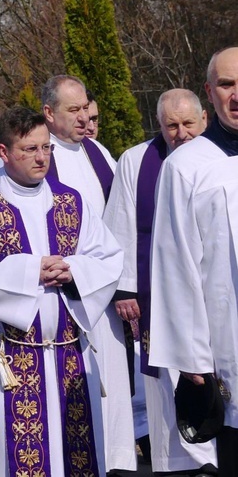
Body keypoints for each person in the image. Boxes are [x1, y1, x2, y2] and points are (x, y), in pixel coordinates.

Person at [0, 106, 123, 477]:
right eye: (29, 149)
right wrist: (32, 272)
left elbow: (107, 258)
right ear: (4, 152)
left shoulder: (71, 201)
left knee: (76, 456)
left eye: (46, 148)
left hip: (68, 355)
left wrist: (73, 271)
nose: (41, 157)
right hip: (10, 357)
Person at [104, 88, 217, 475]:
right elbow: (119, 223)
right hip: (160, 289)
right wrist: (125, 287)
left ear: (204, 119)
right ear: (160, 125)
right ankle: (181, 458)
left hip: (214, 284)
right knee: (167, 372)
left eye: (188, 123)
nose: (181, 133)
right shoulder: (137, 161)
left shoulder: (221, 158)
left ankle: (218, 452)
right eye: (172, 125)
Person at [40, 75, 136, 473]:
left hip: (104, 287)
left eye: (85, 110)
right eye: (73, 111)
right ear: (49, 113)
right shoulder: (35, 155)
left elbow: (122, 219)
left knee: (111, 377)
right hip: (61, 292)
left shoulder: (98, 152)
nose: (84, 119)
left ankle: (115, 458)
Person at [149, 46, 238, 477]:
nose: (237, 94)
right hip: (229, 346)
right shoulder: (187, 166)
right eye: (227, 84)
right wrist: (192, 358)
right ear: (210, 92)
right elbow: (174, 266)